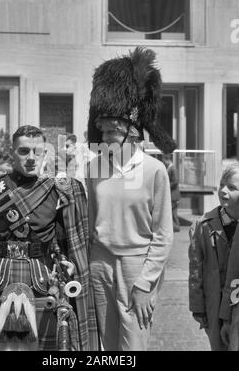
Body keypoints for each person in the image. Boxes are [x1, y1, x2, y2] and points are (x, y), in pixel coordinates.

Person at [0, 125, 99, 351]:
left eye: (38, 152)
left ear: (45, 153)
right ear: (12, 152)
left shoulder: (57, 190)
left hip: (43, 282)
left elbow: (62, 239)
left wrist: (67, 262)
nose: (31, 158)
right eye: (24, 151)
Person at [86, 47, 175, 351]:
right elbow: (88, 220)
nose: (106, 137)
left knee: (133, 344)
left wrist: (146, 283)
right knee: (103, 344)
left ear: (132, 133)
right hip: (98, 263)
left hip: (136, 266)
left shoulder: (154, 171)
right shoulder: (93, 168)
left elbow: (164, 235)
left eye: (113, 131)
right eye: (103, 130)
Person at [188, 163, 239, 351]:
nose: (223, 190)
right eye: (221, 185)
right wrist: (197, 306)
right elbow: (196, 270)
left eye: (232, 187)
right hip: (214, 304)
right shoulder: (203, 226)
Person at [162, 153, 181, 232]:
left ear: (167, 160)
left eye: (164, 161)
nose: (163, 163)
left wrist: (167, 185)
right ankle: (176, 227)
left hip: (173, 195)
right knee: (173, 212)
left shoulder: (172, 168)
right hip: (172, 195)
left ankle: (176, 227)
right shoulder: (170, 168)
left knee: (172, 212)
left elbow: (175, 181)